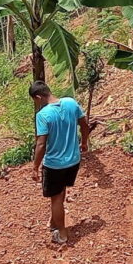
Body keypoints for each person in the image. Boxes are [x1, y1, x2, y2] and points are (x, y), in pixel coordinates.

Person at [30, 81, 89, 244]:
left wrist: (35, 167)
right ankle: (54, 220)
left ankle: (62, 234)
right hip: (74, 160)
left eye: (35, 101)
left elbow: (41, 143)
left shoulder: (43, 115)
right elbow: (84, 124)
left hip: (54, 164)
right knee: (61, 190)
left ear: (38, 96)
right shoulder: (71, 102)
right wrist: (84, 143)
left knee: (55, 198)